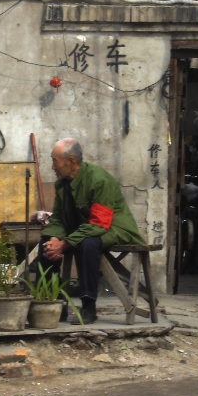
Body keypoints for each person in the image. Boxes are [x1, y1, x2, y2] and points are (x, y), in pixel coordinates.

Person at [37, 138, 144, 325]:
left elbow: (99, 224)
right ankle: (50, 303)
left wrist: (64, 243)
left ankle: (88, 306)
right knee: (46, 243)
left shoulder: (98, 179)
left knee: (88, 243)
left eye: (55, 160)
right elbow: (59, 218)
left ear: (71, 161)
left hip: (112, 227)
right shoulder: (61, 183)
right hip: (84, 227)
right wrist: (54, 239)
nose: (52, 166)